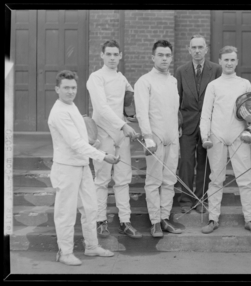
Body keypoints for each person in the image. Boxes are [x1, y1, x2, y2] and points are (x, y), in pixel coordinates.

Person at [48, 70, 118, 266]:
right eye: (66, 88)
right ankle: (65, 252)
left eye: (73, 88)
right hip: (66, 168)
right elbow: (74, 143)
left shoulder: (71, 107)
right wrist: (103, 155)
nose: (70, 91)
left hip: (82, 165)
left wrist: (91, 144)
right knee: (66, 212)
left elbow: (80, 139)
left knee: (90, 207)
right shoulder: (59, 112)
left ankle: (91, 246)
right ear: (57, 89)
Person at [199, 46, 251, 235]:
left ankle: (250, 219)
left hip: (238, 136)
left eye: (232, 60)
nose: (229, 63)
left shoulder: (244, 84)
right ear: (220, 61)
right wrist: (205, 136)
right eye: (226, 60)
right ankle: (213, 219)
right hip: (217, 135)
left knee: (245, 179)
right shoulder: (213, 85)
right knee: (216, 179)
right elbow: (206, 114)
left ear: (237, 62)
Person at [87, 40, 142, 239]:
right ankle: (100, 221)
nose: (111, 58)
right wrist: (124, 125)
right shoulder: (95, 77)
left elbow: (131, 101)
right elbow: (101, 108)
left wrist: (136, 122)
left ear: (120, 56)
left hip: (121, 135)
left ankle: (125, 222)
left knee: (123, 180)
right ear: (102, 55)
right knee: (102, 180)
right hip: (103, 134)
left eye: (115, 54)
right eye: (108, 54)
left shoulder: (121, 78)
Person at [134, 40, 183, 238]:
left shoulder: (173, 81)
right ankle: (154, 221)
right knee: (154, 180)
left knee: (169, 180)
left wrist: (176, 129)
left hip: (172, 137)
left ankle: (164, 218)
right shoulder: (144, 81)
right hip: (155, 137)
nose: (164, 58)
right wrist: (148, 137)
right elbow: (142, 113)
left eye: (167, 55)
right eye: (160, 55)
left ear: (171, 57)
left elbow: (173, 110)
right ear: (153, 57)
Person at [175, 34, 222, 214]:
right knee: (186, 161)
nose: (197, 51)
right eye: (193, 47)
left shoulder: (216, 70)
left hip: (208, 125)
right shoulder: (181, 71)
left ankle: (201, 198)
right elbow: (176, 100)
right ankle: (186, 199)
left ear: (206, 49)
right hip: (187, 124)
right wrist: (178, 124)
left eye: (200, 47)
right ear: (189, 50)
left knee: (204, 161)